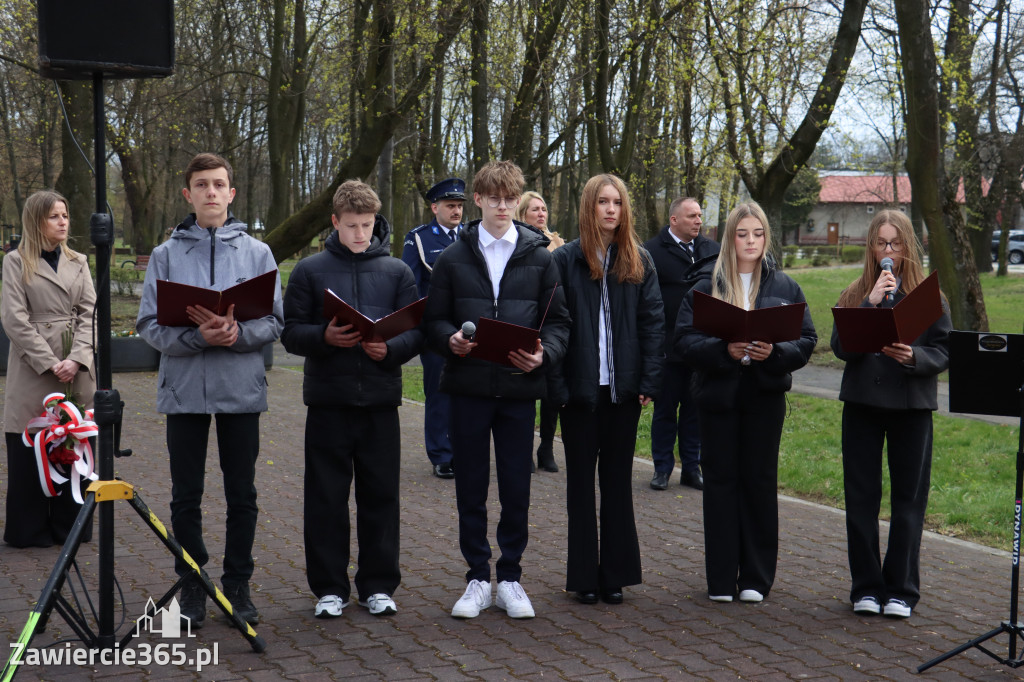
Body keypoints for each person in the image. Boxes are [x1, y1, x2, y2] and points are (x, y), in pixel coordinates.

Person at [136, 153, 284, 628]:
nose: (212, 192)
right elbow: (147, 325)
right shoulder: (165, 255)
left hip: (241, 388)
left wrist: (238, 335)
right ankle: (194, 583)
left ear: (232, 193)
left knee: (242, 492)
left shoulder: (258, 253)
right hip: (184, 390)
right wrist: (198, 337)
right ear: (189, 194)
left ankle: (238, 584)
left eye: (220, 184)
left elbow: (274, 321)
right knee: (186, 494)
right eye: (202, 185)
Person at [423, 160, 570, 620]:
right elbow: (433, 321)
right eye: (494, 197)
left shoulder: (541, 257)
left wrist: (544, 354)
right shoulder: (453, 257)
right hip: (467, 388)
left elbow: (561, 323)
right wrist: (449, 339)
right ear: (480, 200)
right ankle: (475, 578)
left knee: (516, 485)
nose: (503, 205)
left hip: (518, 389)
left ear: (517, 200)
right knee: (471, 485)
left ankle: (509, 578)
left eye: (510, 197)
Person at [282, 180, 423, 619]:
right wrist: (324, 337)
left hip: (381, 400)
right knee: (325, 496)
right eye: (350, 226)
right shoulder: (309, 270)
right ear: (334, 222)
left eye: (365, 225)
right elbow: (290, 332)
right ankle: (329, 588)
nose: (359, 235)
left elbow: (415, 330)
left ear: (375, 221)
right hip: (328, 400)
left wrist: (392, 349)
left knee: (381, 495)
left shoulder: (397, 271)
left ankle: (378, 585)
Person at [675, 202, 816, 604]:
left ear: (766, 237)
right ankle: (721, 578)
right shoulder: (706, 286)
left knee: (758, 482)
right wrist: (725, 351)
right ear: (730, 238)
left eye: (757, 234)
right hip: (718, 399)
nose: (750, 241)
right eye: (742, 234)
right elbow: (683, 341)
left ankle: (755, 577)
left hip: (764, 398)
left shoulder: (785, 286)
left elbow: (806, 340)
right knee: (720, 483)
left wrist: (775, 353)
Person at [831, 210, 951, 620]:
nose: (888, 252)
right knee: (861, 498)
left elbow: (944, 351)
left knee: (908, 500)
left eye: (895, 243)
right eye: (881, 243)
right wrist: (870, 303)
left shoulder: (928, 295)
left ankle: (901, 589)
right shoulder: (857, 292)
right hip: (863, 405)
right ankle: (865, 586)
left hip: (911, 407)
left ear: (908, 247)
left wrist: (914, 356)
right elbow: (841, 347)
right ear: (871, 247)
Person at [550, 175, 663, 605]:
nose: (611, 209)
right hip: (579, 393)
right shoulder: (564, 261)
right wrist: (557, 388)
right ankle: (583, 576)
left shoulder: (639, 261)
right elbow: (552, 326)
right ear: (588, 206)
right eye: (603, 201)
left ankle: (614, 574)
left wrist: (649, 381)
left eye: (617, 202)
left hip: (623, 392)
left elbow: (654, 325)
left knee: (616, 483)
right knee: (580, 485)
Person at [2, 190, 95, 548]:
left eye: (66, 215)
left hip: (77, 363)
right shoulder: (15, 262)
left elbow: (90, 313)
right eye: (54, 216)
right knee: (32, 441)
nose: (63, 222)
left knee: (75, 441)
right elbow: (14, 318)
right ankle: (31, 530)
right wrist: (50, 362)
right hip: (34, 368)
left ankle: (70, 527)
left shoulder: (79, 260)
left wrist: (78, 358)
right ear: (36, 221)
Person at [644, 197, 720, 491]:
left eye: (700, 216)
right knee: (665, 411)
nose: (698, 221)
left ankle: (692, 468)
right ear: (674, 220)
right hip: (667, 347)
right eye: (691, 216)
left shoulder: (712, 251)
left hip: (702, 347)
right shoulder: (652, 251)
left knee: (694, 412)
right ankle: (662, 469)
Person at [401, 178, 465, 479]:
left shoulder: (472, 236)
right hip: (436, 329)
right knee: (439, 393)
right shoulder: (419, 239)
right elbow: (410, 285)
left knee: (468, 393)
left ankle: (464, 449)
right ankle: (441, 454)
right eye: (450, 206)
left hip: (470, 329)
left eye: (459, 206)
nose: (456, 211)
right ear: (434, 207)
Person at [514, 190, 564, 473]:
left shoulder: (557, 243)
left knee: (552, 391)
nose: (542, 213)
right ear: (522, 213)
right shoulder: (515, 242)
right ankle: (524, 448)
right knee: (526, 388)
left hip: (552, 323)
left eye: (544, 208)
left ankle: (546, 447)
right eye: (535, 209)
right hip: (526, 320)